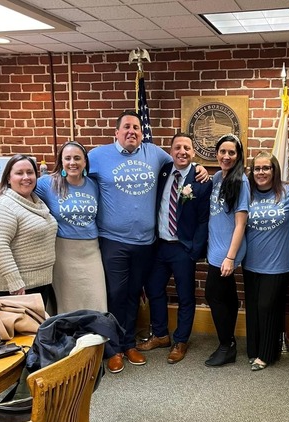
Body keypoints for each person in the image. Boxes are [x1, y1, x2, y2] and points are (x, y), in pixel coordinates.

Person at [88, 110, 208, 373]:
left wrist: (199, 168)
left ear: (142, 134)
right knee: (117, 294)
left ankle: (130, 343)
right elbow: (69, 171)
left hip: (147, 244)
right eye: (127, 127)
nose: (132, 131)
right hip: (115, 241)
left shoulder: (155, 154)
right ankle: (115, 349)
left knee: (133, 294)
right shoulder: (97, 156)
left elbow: (183, 163)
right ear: (116, 132)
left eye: (137, 128)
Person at [138, 133, 212, 363]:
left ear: (193, 153)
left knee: (185, 296)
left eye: (187, 148)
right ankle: (161, 334)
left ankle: (181, 340)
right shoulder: (162, 173)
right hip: (160, 245)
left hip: (183, 248)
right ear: (170, 151)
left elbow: (203, 220)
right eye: (178, 147)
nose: (182, 151)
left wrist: (194, 250)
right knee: (154, 288)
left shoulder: (201, 180)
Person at [243, 151, 289, 371]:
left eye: (266, 168)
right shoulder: (246, 193)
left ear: (274, 170)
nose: (261, 172)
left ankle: (266, 355)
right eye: (257, 168)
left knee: (267, 306)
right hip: (250, 261)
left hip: (278, 263)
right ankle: (254, 350)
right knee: (254, 308)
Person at [35, 141, 107, 314]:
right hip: (63, 252)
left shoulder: (94, 184)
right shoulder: (47, 184)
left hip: (91, 251)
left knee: (96, 298)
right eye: (67, 158)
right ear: (61, 161)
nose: (72, 162)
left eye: (77, 158)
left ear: (84, 162)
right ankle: (69, 338)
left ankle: (95, 339)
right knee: (67, 303)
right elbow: (18, 192)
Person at [0, 155, 58, 304]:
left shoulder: (36, 202)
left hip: (36, 282)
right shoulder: (3, 205)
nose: (26, 177)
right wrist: (14, 282)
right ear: (8, 178)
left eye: (30, 172)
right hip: (9, 287)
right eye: (19, 173)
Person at [204, 134, 250, 367]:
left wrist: (230, 257)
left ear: (238, 156)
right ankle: (228, 343)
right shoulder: (217, 178)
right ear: (217, 154)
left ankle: (226, 345)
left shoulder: (240, 181)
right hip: (216, 244)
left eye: (231, 152)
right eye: (223, 151)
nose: (226, 156)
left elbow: (241, 223)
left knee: (213, 294)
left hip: (227, 249)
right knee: (227, 296)